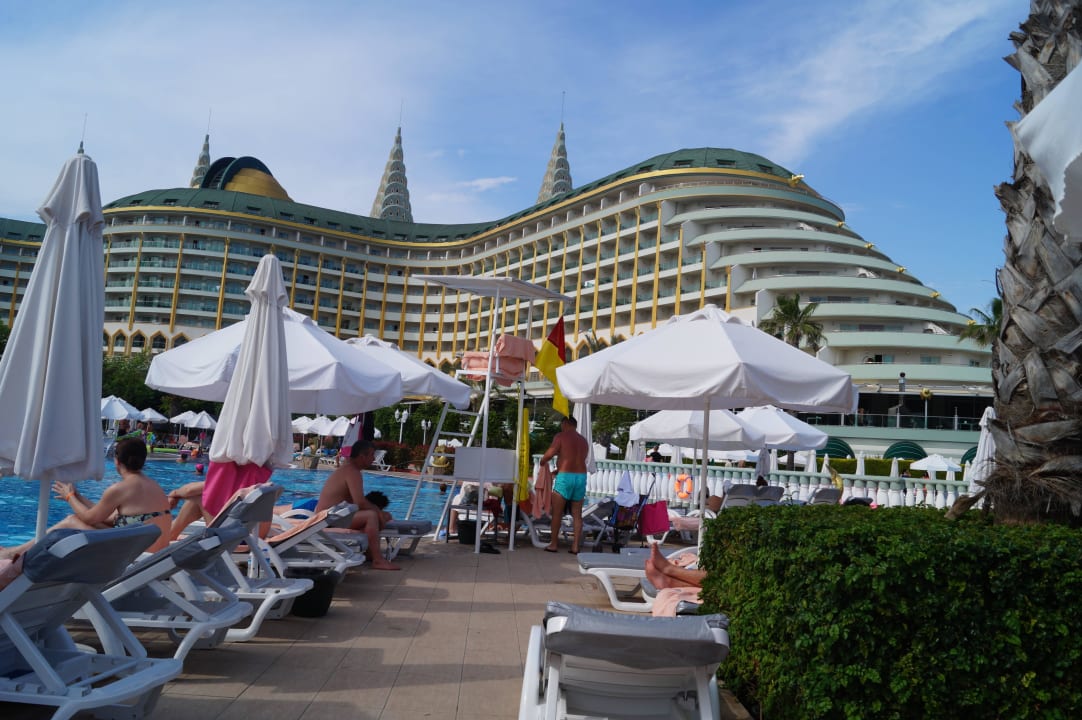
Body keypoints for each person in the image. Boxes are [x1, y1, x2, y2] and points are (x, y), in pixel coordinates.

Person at [1, 438, 172, 559]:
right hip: (154, 548)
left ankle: (15, 552)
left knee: (71, 521)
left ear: (117, 461)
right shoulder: (152, 485)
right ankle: (18, 551)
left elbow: (89, 517)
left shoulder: (120, 488)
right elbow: (108, 517)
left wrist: (69, 497)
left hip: (139, 552)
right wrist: (78, 497)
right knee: (78, 520)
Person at [315, 439, 400, 570]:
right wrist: (377, 511)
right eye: (372, 455)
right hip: (326, 519)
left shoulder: (351, 470)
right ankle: (377, 560)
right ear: (362, 456)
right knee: (371, 516)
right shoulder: (352, 472)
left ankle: (370, 553)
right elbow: (359, 502)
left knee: (380, 515)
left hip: (334, 516)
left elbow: (357, 503)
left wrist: (380, 514)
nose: (373, 458)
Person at [540, 416, 589, 554]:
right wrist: (558, 469)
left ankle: (553, 544)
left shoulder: (561, 436)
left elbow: (549, 454)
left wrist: (542, 462)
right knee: (577, 515)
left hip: (565, 478)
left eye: (561, 424)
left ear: (565, 424)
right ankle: (575, 547)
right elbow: (576, 459)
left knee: (557, 513)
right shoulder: (583, 441)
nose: (561, 427)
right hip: (581, 477)